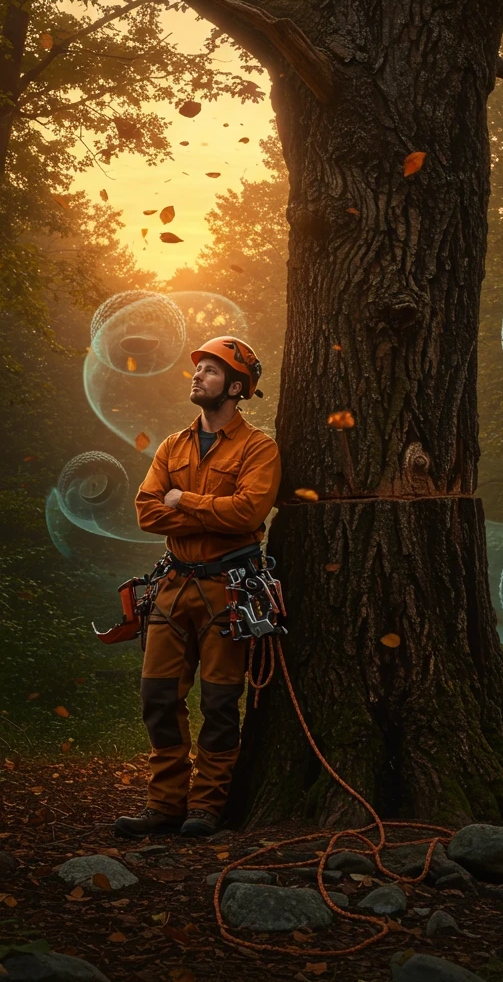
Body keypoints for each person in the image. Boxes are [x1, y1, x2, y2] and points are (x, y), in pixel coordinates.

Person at [114, 336, 281, 839]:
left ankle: (206, 806)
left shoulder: (259, 448)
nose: (197, 375)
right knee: (158, 697)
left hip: (228, 592)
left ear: (235, 386)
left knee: (219, 703)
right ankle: (164, 804)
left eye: (210, 370)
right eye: (199, 368)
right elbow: (146, 511)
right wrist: (211, 512)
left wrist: (182, 498)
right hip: (172, 588)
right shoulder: (173, 444)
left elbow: (250, 513)